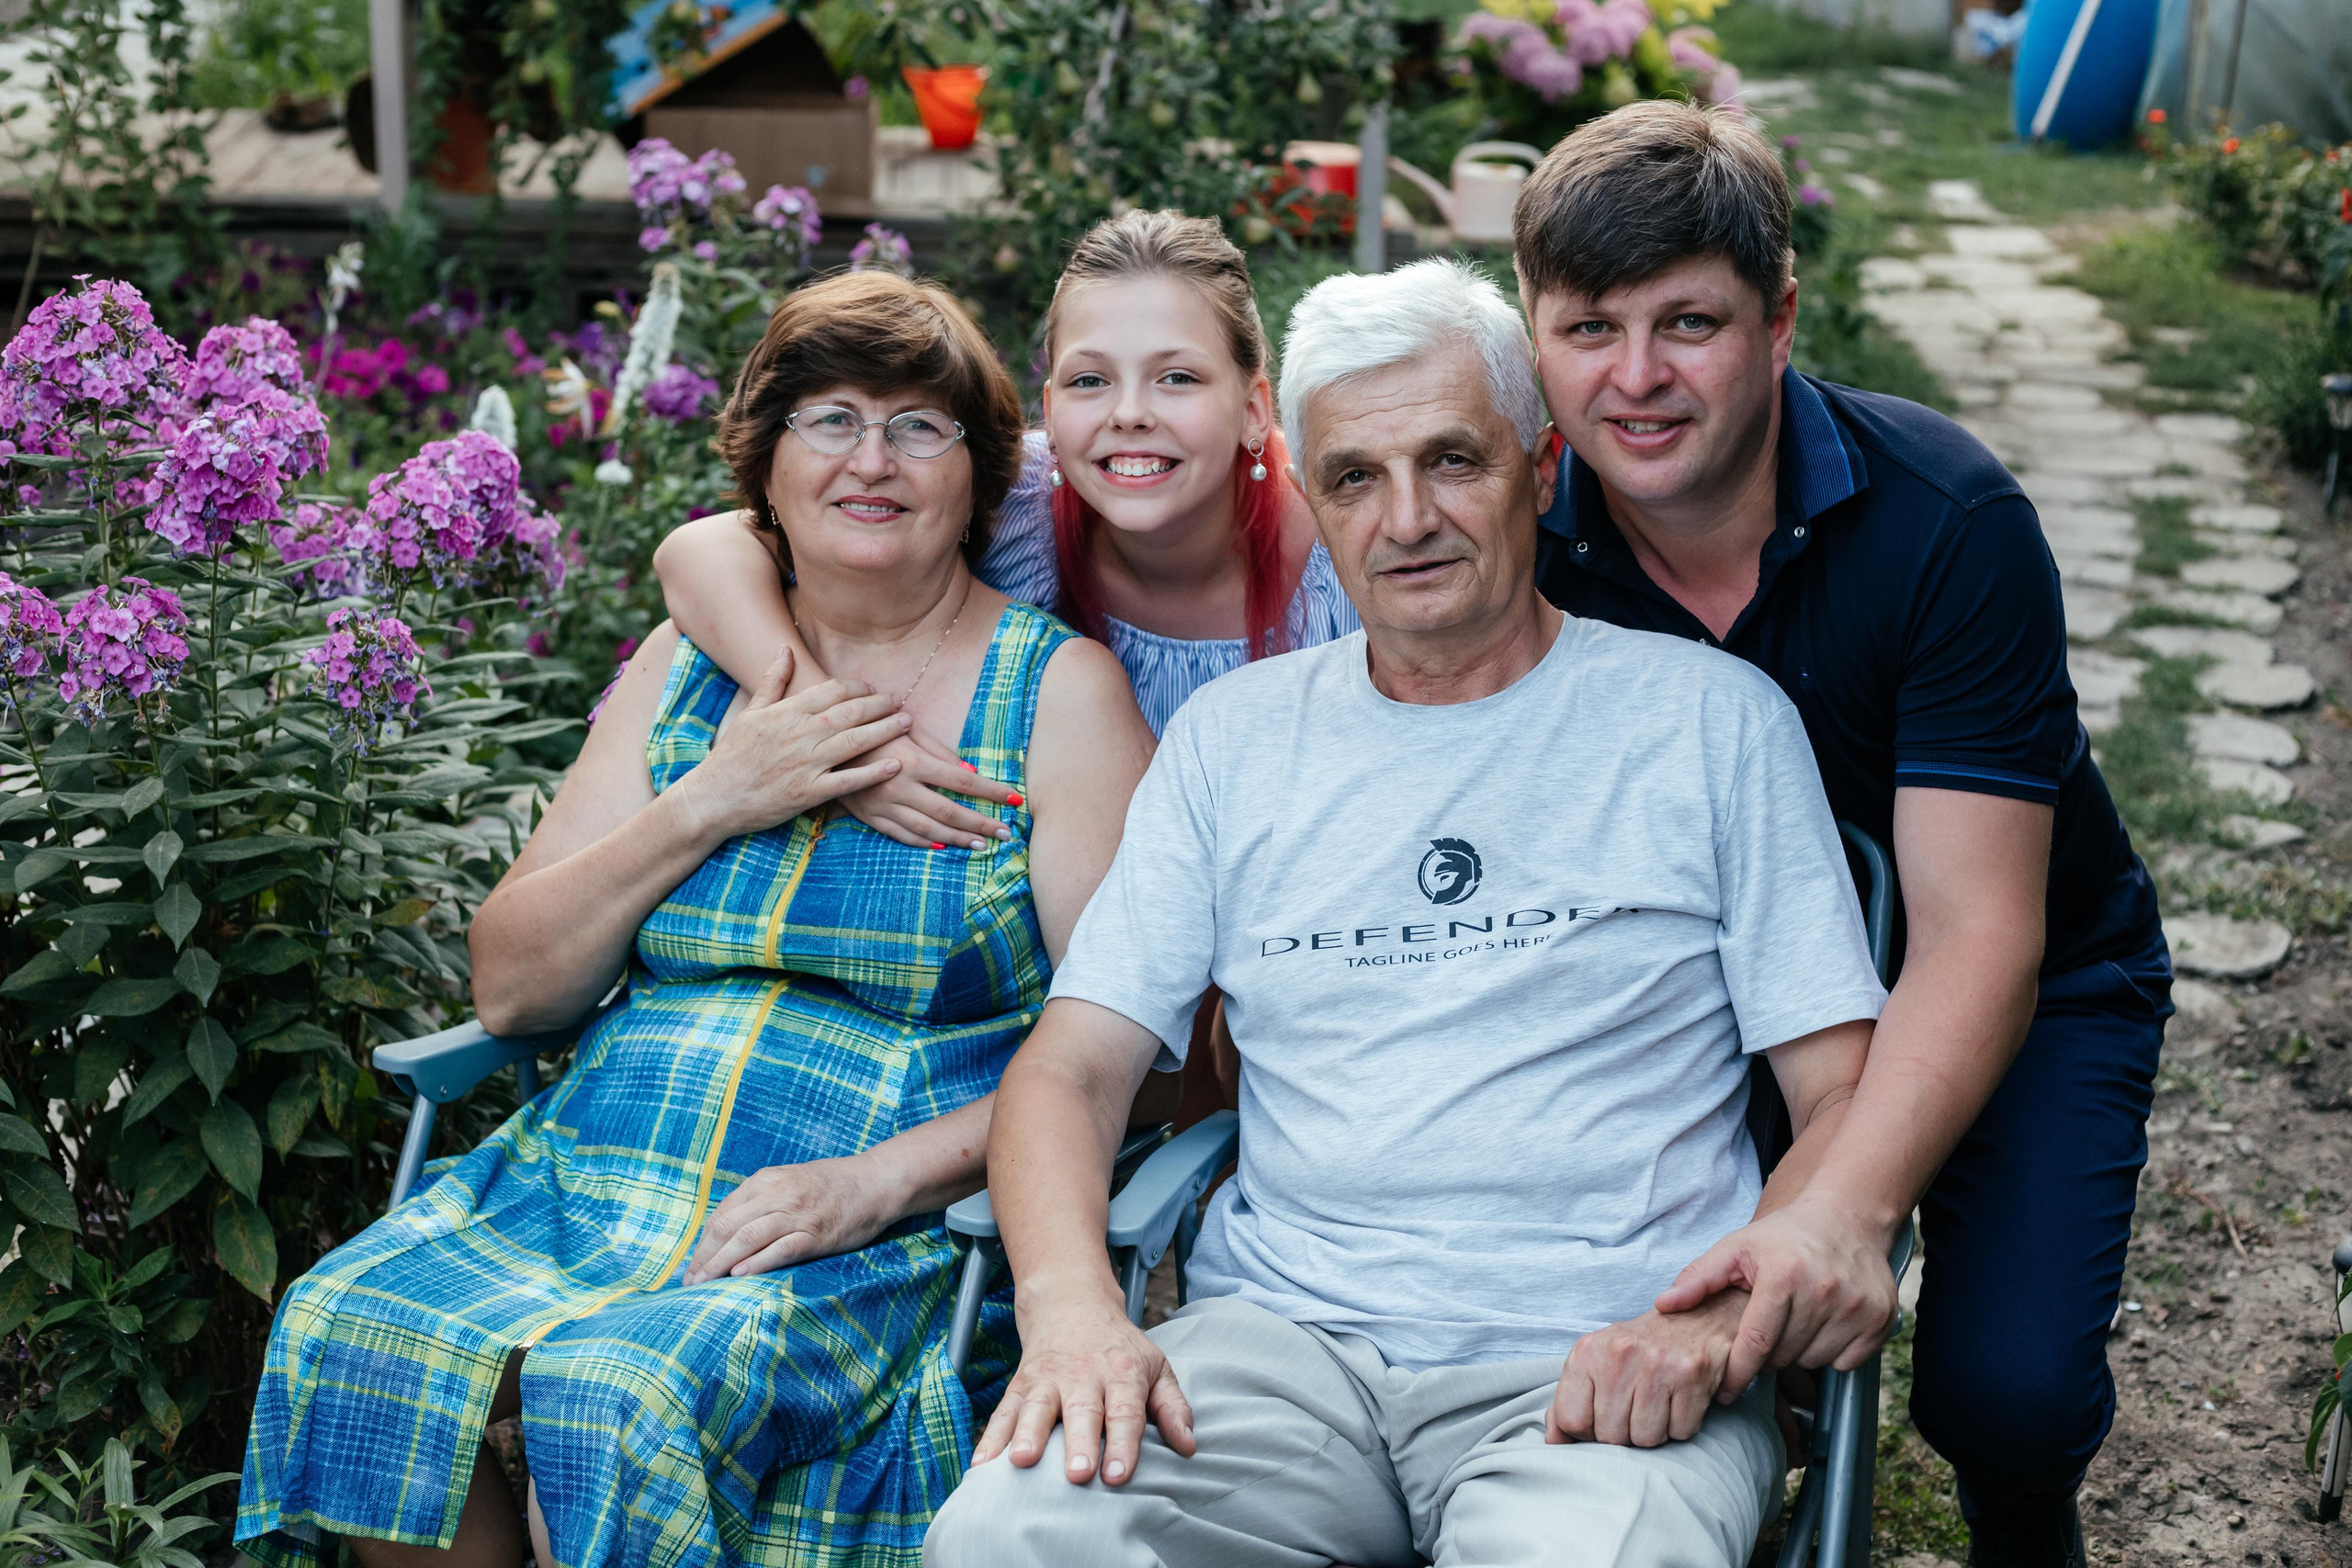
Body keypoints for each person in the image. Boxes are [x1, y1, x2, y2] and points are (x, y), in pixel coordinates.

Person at [922, 259, 1895, 1568]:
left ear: (1542, 468)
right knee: (1010, 1539)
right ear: (1308, 497)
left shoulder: (1708, 723)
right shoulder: (1232, 743)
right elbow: (1073, 1068)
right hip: (1278, 1361)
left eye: (1454, 460)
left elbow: (1842, 1095)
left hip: (1602, 1366)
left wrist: (1720, 1323)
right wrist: (1070, 1304)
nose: (1408, 518)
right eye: (1356, 477)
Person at [236, 272, 1158, 1568]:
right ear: (765, 467)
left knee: (619, 1389)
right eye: (829, 419)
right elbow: (511, 989)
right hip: (603, 1168)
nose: (872, 459)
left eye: (920, 425)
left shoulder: (1059, 695)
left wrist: (869, 1184)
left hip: (865, 1218)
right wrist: (721, 793)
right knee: (355, 1328)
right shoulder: (692, 667)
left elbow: (1122, 1049)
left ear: (981, 475)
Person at [1510, 101, 2171, 1568]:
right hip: (1711, 989)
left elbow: (1982, 931)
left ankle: (2023, 1521)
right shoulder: (1525, 537)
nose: (1635, 379)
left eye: (1689, 323)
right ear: (1530, 335)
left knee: (2006, 1389)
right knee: (1669, 1327)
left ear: (1783, 317)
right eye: (1588, 328)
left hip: (2021, 971)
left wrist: (1843, 1208)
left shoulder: (1948, 521)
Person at [655, 208, 1355, 1113]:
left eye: (1177, 377)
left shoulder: (1344, 577)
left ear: (1254, 408)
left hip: (1290, 1000)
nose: (1131, 414)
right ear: (1050, 409)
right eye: (1089, 380)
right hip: (1087, 989)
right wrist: (836, 737)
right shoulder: (1011, 499)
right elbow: (706, 552)